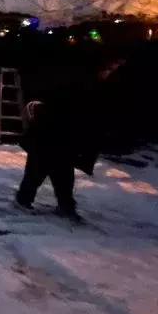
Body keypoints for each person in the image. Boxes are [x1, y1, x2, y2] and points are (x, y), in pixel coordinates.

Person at [15, 61, 117, 219]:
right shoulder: (82, 88)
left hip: (60, 138)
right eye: (108, 70)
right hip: (51, 135)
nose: (109, 74)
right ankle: (26, 200)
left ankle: (64, 204)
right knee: (39, 172)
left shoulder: (87, 89)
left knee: (61, 175)